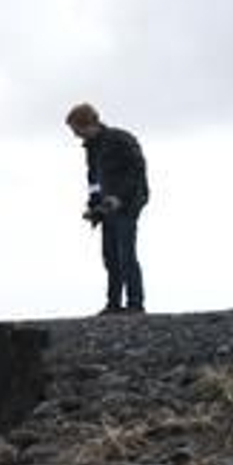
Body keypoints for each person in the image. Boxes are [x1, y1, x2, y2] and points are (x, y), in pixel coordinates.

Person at [65, 102, 148, 315]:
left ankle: (135, 304)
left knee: (125, 253)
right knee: (110, 256)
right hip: (107, 208)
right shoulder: (91, 148)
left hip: (129, 204)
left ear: (89, 124)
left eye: (77, 130)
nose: (76, 136)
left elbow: (137, 170)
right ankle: (113, 304)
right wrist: (94, 206)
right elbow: (93, 180)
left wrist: (119, 197)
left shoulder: (120, 139)